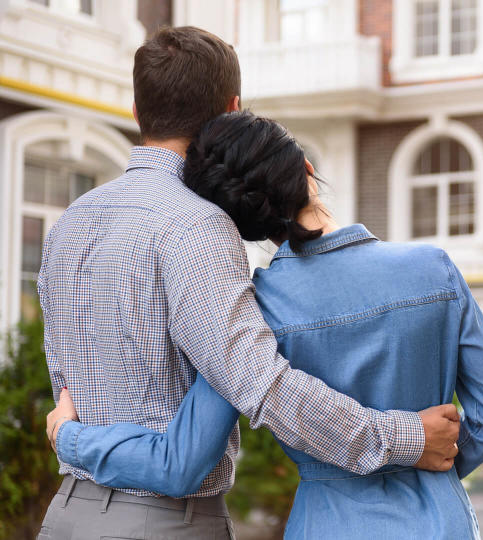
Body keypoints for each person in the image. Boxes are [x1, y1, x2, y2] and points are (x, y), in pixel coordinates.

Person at [37, 27, 460, 539]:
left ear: (135, 110)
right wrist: (404, 437)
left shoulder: (69, 223)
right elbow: (263, 387)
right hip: (164, 521)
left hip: (64, 514)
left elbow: (66, 382)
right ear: (231, 113)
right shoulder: (197, 224)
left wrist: (73, 440)